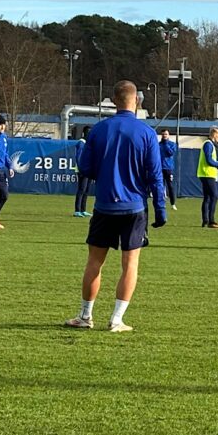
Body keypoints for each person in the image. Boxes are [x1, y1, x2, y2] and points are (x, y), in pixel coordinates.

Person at [65, 80, 166, 333]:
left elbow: (85, 168)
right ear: (137, 102)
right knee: (130, 264)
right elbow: (155, 175)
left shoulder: (99, 131)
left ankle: (85, 316)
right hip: (134, 208)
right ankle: (116, 320)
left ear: (113, 101)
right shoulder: (145, 133)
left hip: (105, 206)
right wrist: (161, 209)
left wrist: (107, 173)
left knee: (94, 263)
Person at [198, 126, 218, 228]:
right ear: (214, 134)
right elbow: (209, 160)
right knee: (214, 196)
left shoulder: (208, 144)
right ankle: (211, 221)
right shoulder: (208, 144)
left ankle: (205, 220)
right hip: (207, 174)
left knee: (207, 198)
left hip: (205, 173)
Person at [72, 134, 92, 218]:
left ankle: (83, 210)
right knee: (81, 189)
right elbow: (79, 157)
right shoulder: (81, 143)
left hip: (88, 169)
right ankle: (77, 210)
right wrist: (81, 168)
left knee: (86, 190)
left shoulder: (88, 143)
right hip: (82, 170)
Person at [159, 129, 178, 211]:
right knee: (160, 186)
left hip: (168, 168)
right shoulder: (158, 145)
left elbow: (170, 153)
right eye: (163, 134)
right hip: (159, 168)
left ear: (168, 135)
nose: (164, 136)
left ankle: (173, 203)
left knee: (170, 186)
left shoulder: (172, 144)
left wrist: (166, 144)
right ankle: (161, 203)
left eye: (166, 134)